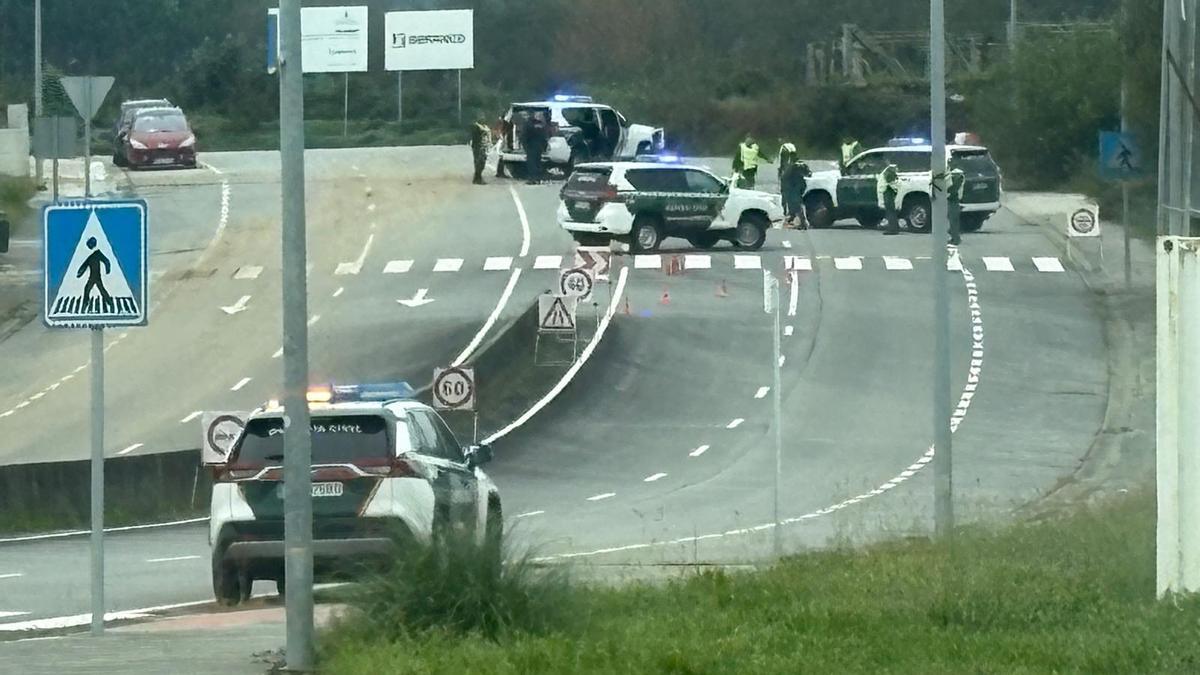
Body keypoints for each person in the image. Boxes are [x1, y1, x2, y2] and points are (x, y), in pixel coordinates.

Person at [77, 236, 112, 311]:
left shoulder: (96, 253)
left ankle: (86, 302)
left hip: (94, 276)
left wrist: (108, 270)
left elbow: (106, 261)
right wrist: (79, 272)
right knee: (100, 289)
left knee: (88, 289)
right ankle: (109, 301)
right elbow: (85, 265)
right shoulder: (93, 254)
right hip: (95, 276)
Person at [781, 157, 811, 229]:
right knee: (796, 204)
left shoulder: (791, 168)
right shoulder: (802, 166)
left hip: (791, 188)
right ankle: (793, 219)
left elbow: (784, 180)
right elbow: (808, 174)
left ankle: (803, 223)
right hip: (797, 187)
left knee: (796, 205)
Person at [877, 163, 901, 236]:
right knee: (891, 210)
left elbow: (889, 180)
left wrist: (893, 187)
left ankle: (892, 229)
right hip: (889, 191)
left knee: (890, 210)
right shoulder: (889, 170)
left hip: (887, 191)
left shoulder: (888, 170)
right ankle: (895, 227)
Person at [469, 114, 492, 185]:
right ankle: (477, 178)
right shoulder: (476, 126)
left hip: (484, 146)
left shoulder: (485, 126)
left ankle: (477, 178)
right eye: (481, 118)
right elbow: (475, 137)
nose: (483, 119)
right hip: (478, 146)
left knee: (482, 163)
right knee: (479, 162)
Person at [947, 167, 965, 245]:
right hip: (954, 201)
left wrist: (947, 190)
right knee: (952, 220)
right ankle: (954, 236)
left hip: (954, 201)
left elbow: (953, 190)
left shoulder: (959, 181)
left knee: (953, 221)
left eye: (955, 175)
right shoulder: (958, 181)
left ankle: (955, 238)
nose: (953, 177)